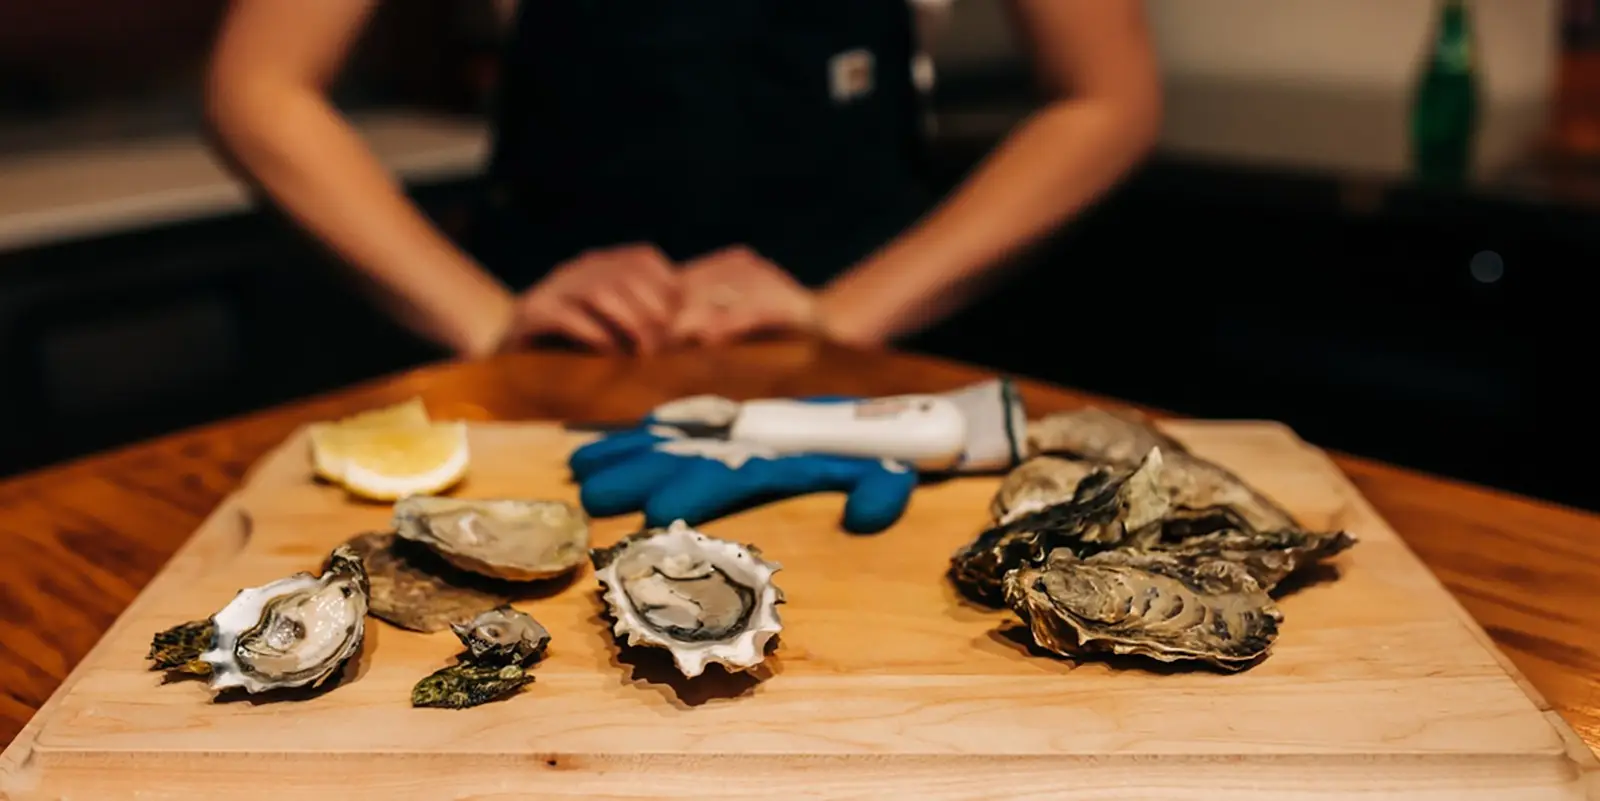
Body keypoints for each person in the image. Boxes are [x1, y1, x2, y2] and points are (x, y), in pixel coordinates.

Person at [204, 0, 1162, 360]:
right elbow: (260, 86)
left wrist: (844, 309)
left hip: (858, 359)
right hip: (562, 362)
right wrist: (483, 313)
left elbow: (1105, 99)